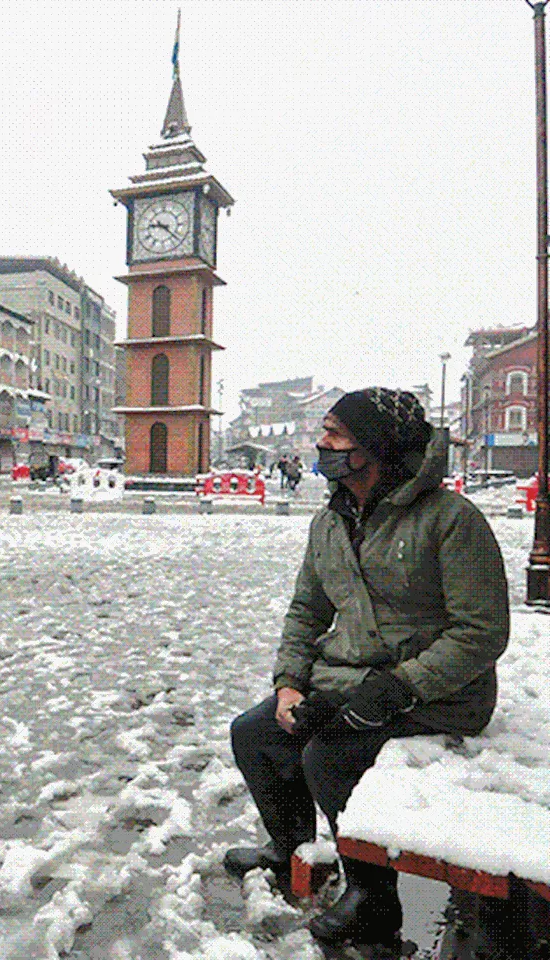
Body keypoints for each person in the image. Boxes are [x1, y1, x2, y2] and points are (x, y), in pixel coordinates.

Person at [224, 388, 509, 953]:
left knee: (327, 752)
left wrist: (400, 687)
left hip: (442, 692)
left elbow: (482, 632)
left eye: (334, 433)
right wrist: (289, 685)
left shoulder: (451, 520)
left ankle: (374, 901)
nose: (321, 444)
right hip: (355, 678)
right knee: (256, 733)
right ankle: (292, 849)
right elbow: (308, 610)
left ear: (373, 448)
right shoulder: (330, 521)